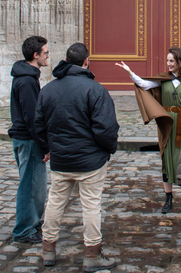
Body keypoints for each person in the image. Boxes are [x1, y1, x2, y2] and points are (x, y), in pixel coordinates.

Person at [37, 43, 119, 272]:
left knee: (55, 202)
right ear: (86, 62)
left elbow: (38, 124)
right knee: (91, 205)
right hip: (90, 162)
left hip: (61, 159)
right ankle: (92, 254)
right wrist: (108, 149)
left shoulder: (48, 90)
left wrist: (48, 148)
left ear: (66, 60)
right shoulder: (95, 90)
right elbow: (106, 129)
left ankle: (48, 249)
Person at [115, 47, 181, 213]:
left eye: (172, 61)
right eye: (167, 60)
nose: (168, 64)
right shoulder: (163, 79)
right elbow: (144, 84)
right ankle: (168, 198)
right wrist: (130, 72)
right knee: (167, 159)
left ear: (180, 62)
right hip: (167, 124)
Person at [8, 36, 50, 244]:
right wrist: (45, 145)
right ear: (35, 55)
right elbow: (32, 118)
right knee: (30, 186)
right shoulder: (26, 81)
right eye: (45, 53)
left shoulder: (27, 76)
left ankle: (32, 221)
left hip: (25, 138)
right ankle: (24, 230)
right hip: (28, 140)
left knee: (35, 186)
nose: (48, 56)